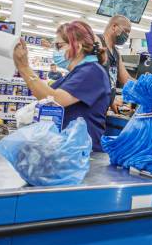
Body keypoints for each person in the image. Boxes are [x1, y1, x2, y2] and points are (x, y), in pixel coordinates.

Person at [13, 21, 111, 151]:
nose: (56, 52)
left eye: (59, 46)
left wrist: (24, 67)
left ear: (78, 46)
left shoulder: (92, 72)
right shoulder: (74, 75)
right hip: (68, 149)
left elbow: (54, 100)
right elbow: (44, 97)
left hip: (82, 153)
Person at [97, 15, 134, 112]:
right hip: (90, 106)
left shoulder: (116, 52)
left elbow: (125, 78)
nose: (126, 35)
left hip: (103, 109)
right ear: (114, 27)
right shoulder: (98, 42)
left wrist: (147, 85)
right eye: (125, 31)